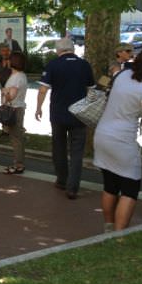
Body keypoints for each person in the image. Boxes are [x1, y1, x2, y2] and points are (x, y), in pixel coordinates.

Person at [94, 46, 142, 231]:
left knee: (110, 186)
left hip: (102, 135)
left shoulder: (122, 75)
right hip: (122, 141)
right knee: (130, 189)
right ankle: (119, 236)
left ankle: (108, 229)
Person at [35, 37, 95, 199]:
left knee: (59, 148)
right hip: (79, 114)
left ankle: (61, 179)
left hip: (58, 113)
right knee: (77, 152)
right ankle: (73, 187)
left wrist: (38, 108)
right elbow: (91, 90)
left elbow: (43, 90)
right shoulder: (84, 65)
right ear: (72, 49)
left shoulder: (53, 64)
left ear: (58, 50)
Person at [2, 51, 28, 175]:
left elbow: (11, 96)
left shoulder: (16, 77)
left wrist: (4, 92)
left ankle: (18, 165)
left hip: (14, 109)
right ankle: (18, 163)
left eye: (9, 59)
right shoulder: (21, 75)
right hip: (18, 108)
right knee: (17, 137)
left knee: (16, 138)